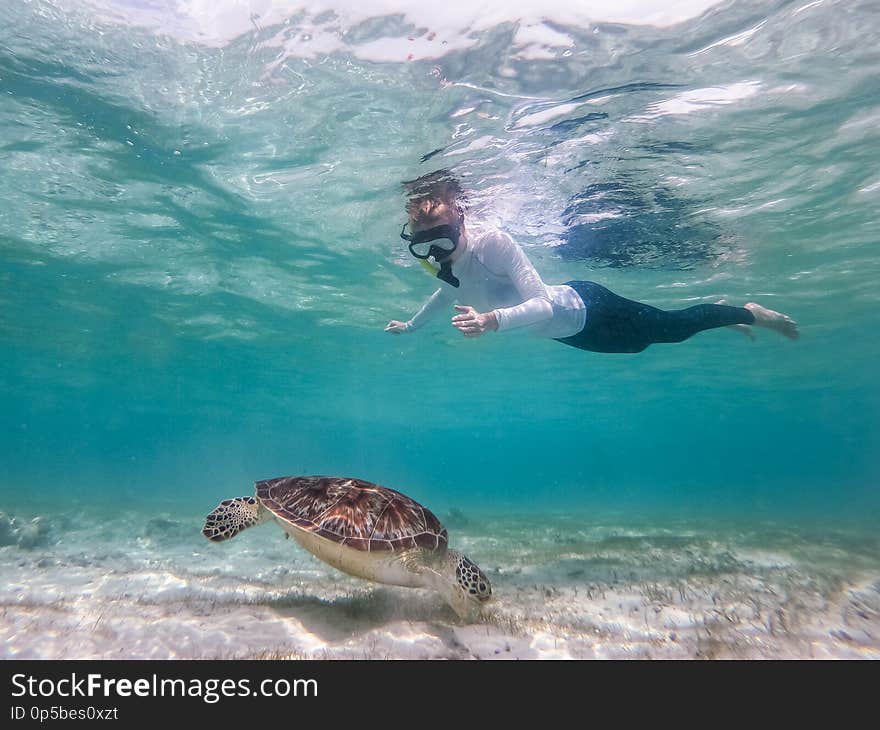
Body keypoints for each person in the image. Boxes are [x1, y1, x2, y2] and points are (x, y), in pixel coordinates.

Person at [384, 172, 798, 351]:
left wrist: (491, 321)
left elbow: (544, 304)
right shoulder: (447, 263)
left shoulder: (492, 243)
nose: (436, 253)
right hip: (570, 334)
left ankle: (747, 313)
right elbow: (444, 292)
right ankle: (725, 315)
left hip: (586, 308)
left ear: (461, 219)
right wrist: (410, 325)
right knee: (642, 344)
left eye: (441, 238)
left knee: (669, 330)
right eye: (424, 245)